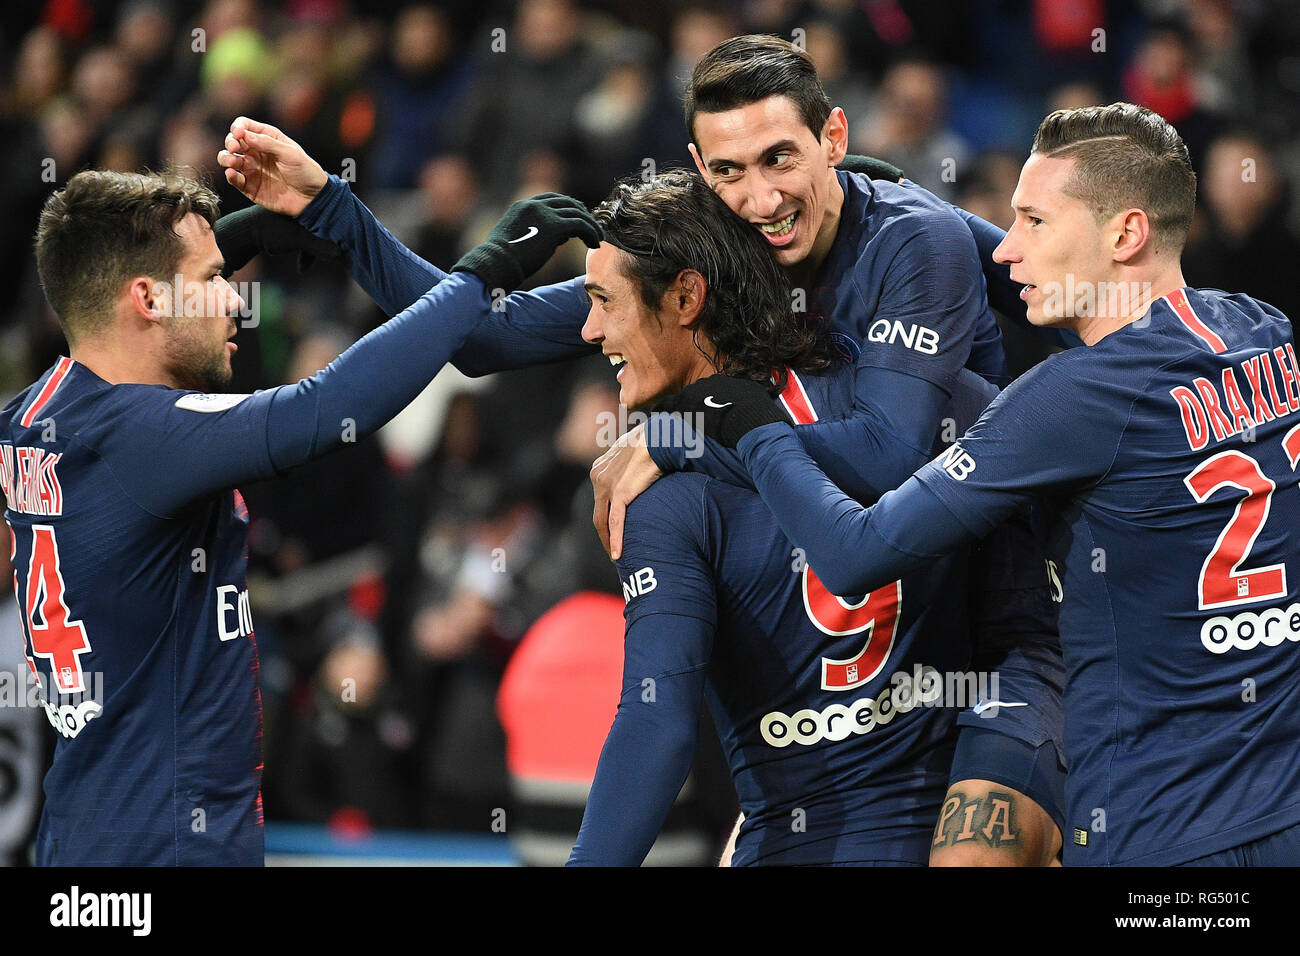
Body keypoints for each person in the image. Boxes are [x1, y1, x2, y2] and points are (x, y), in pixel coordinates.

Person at [217, 34, 1067, 864]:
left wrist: (694, 429)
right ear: (699, 170)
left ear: (834, 139)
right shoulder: (721, 257)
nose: (762, 198)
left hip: (995, 653)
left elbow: (888, 454)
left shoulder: (913, 239)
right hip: (827, 735)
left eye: (780, 159)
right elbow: (481, 338)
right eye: (729, 170)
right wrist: (335, 213)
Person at [680, 103, 1300, 866]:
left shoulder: (1065, 401)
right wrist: (904, 199)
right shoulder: (1263, 334)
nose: (1007, 250)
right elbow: (1131, 319)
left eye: (1035, 221)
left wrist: (744, 431)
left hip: (1162, 834)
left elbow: (853, 554)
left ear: (1126, 233)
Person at [1, 166, 598, 865]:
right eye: (212, 279)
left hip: (85, 834)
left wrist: (225, 240)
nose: (234, 300)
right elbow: (326, 407)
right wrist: (481, 273)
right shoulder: (143, 438)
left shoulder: (35, 414)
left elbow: (110, 298)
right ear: (146, 297)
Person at [567, 170, 1059, 865]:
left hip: (804, 833)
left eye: (602, 302)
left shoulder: (653, 484)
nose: (588, 330)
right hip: (960, 793)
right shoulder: (935, 407)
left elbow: (657, 725)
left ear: (686, 297)